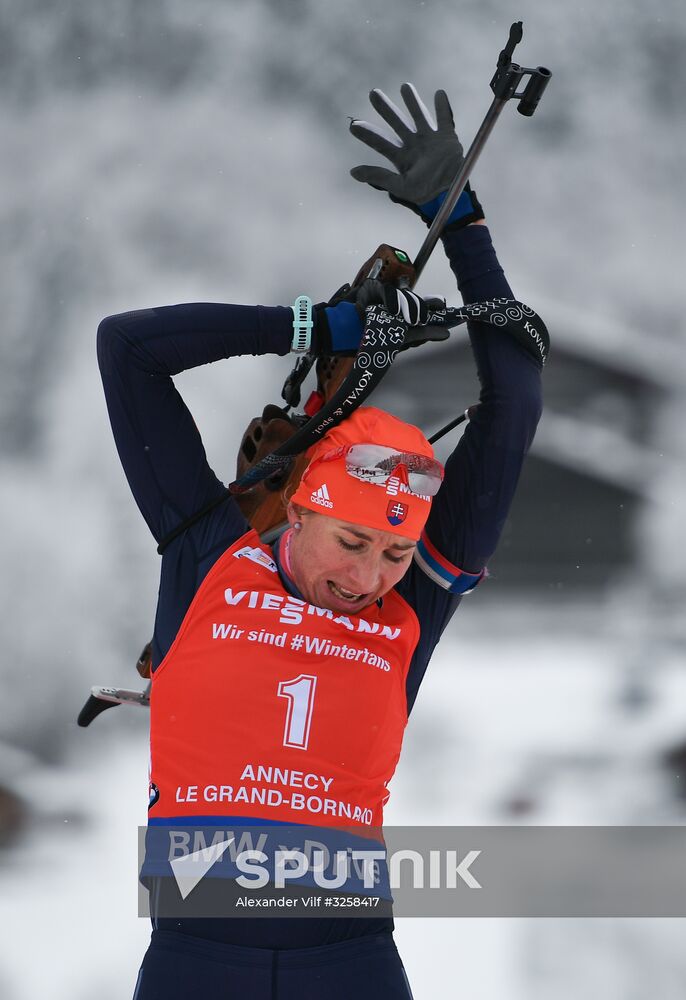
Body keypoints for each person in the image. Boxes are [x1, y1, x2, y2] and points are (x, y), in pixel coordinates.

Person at [97, 85, 544, 999]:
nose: (370, 574)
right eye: (351, 540)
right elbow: (128, 349)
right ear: (298, 508)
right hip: (195, 960)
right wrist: (319, 328)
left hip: (351, 963)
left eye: (390, 553)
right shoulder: (207, 552)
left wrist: (464, 225)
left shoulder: (411, 604)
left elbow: (516, 405)